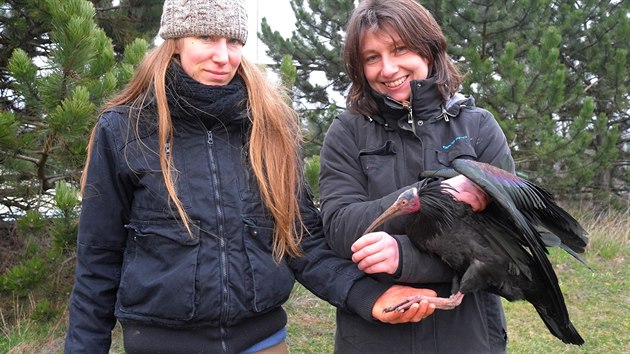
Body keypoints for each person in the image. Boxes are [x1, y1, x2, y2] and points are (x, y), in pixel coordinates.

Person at [63, 0, 439, 353]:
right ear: (175, 41)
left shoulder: (271, 126)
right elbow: (98, 260)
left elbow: (302, 240)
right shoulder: (124, 128)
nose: (222, 56)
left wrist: (366, 295)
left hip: (264, 343)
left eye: (233, 41)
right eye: (206, 37)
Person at [318, 0, 517, 353]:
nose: (388, 68)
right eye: (371, 57)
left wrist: (405, 256)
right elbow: (339, 229)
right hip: (372, 340)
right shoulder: (346, 132)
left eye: (400, 49)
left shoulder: (479, 127)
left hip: (469, 338)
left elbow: (505, 250)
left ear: (428, 48)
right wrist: (432, 195)